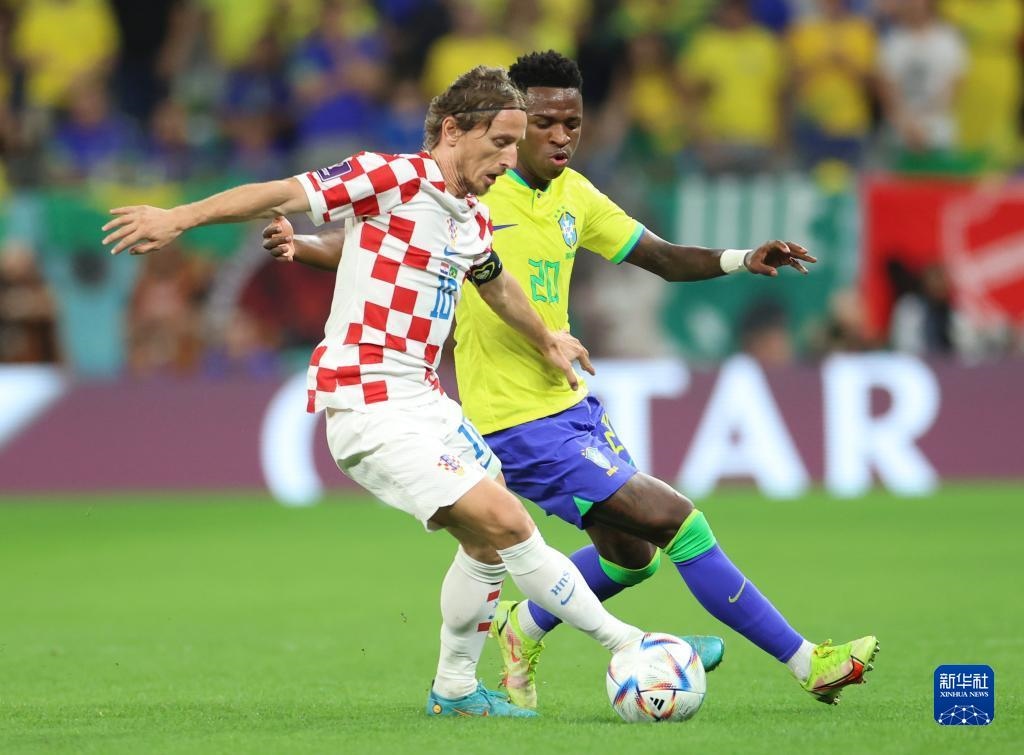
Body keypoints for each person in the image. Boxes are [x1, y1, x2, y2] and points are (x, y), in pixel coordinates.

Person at [265, 52, 878, 709]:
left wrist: (741, 257)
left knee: (632, 554)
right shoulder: (471, 189)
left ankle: (522, 626)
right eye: (545, 123)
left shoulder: (576, 196)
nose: (561, 136)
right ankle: (808, 662)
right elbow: (377, 242)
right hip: (513, 421)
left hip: (573, 405)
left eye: (574, 124)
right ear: (510, 125)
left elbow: (662, 256)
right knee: (678, 521)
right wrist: (305, 245)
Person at [102, 65, 665, 719]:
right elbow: (280, 191)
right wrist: (179, 216)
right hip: (368, 399)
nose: (511, 159)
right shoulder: (392, 177)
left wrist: (546, 340)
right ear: (453, 131)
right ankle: (630, 644)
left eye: (516, 145)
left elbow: (495, 285)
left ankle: (455, 688)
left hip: (424, 401)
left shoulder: (470, 217)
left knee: (486, 542)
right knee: (509, 522)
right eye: (500, 143)